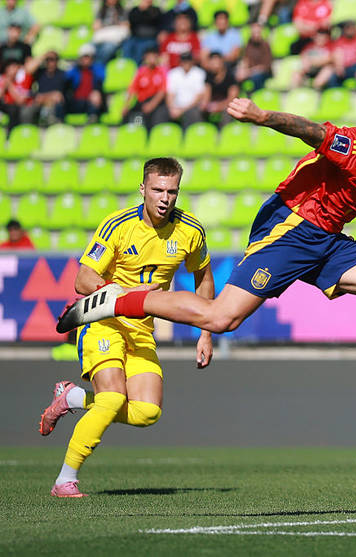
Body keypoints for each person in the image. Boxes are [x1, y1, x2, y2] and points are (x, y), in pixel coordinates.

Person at [58, 100, 356, 381]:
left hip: (330, 236)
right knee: (219, 318)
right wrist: (261, 116)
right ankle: (119, 300)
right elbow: (310, 131)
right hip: (289, 227)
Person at [40, 157, 214, 497]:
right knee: (112, 398)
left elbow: (203, 278)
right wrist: (122, 293)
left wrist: (205, 332)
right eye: (158, 190)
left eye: (172, 191)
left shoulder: (190, 230)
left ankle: (72, 397)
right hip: (104, 322)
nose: (165, 198)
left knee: (148, 412)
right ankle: (65, 479)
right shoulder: (118, 225)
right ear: (143, 189)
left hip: (141, 329)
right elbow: (83, 279)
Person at [122, 47, 168, 129]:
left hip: (156, 103)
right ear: (145, 58)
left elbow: (162, 91)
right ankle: (137, 134)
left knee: (157, 119)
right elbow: (132, 90)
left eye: (154, 57)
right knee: (135, 119)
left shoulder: (162, 71)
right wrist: (126, 105)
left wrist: (151, 105)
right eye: (149, 57)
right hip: (142, 103)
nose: (152, 60)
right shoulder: (141, 71)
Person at [64, 44, 106, 123]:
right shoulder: (75, 70)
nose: (85, 59)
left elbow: (100, 79)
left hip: (90, 102)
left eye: (87, 57)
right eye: (83, 57)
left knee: (95, 101)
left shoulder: (97, 69)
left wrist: (96, 91)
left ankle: (93, 119)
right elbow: (66, 77)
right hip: (77, 102)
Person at [164, 50, 206, 128]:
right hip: (175, 107)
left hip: (192, 106)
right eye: (184, 61)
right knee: (162, 113)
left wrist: (182, 110)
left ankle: (189, 138)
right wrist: (171, 108)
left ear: (192, 61)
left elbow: (199, 96)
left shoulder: (199, 73)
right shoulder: (173, 73)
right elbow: (170, 94)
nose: (186, 63)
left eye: (188, 61)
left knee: (192, 114)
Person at [203, 50, 239, 127]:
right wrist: (206, 106)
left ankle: (225, 134)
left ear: (222, 62)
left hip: (227, 105)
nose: (214, 65)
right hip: (213, 105)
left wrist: (219, 106)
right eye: (211, 63)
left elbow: (232, 99)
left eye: (216, 62)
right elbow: (206, 95)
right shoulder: (208, 76)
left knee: (228, 111)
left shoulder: (230, 77)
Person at [235, 21, 272, 92]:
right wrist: (241, 70)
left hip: (263, 73)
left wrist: (248, 72)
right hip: (250, 72)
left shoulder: (265, 45)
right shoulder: (248, 46)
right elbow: (245, 60)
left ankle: (256, 98)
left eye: (258, 32)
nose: (256, 35)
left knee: (257, 77)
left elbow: (265, 67)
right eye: (254, 33)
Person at [31, 50, 66, 125]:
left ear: (57, 61)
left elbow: (59, 96)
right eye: (47, 59)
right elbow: (28, 70)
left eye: (52, 59)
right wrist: (43, 56)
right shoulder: (40, 73)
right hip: (40, 104)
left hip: (55, 107)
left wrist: (44, 97)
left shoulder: (62, 74)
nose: (50, 62)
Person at [123, 0, 162, 66]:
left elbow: (152, 19)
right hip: (135, 37)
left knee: (140, 48)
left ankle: (137, 68)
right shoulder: (135, 10)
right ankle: (128, 67)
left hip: (150, 37)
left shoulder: (156, 10)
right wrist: (140, 10)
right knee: (127, 46)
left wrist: (145, 10)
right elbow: (133, 21)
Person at [0, 57, 34, 129]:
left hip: (17, 108)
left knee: (14, 109)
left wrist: (9, 85)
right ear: (7, 69)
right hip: (3, 107)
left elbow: (20, 101)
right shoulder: (2, 79)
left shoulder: (22, 80)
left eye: (18, 67)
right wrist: (4, 87)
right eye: (14, 67)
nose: (17, 70)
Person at [93, 0, 129, 66]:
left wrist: (116, 21)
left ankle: (98, 67)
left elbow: (126, 26)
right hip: (102, 37)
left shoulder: (122, 10)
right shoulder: (101, 11)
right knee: (89, 48)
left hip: (114, 38)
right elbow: (96, 26)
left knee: (107, 49)